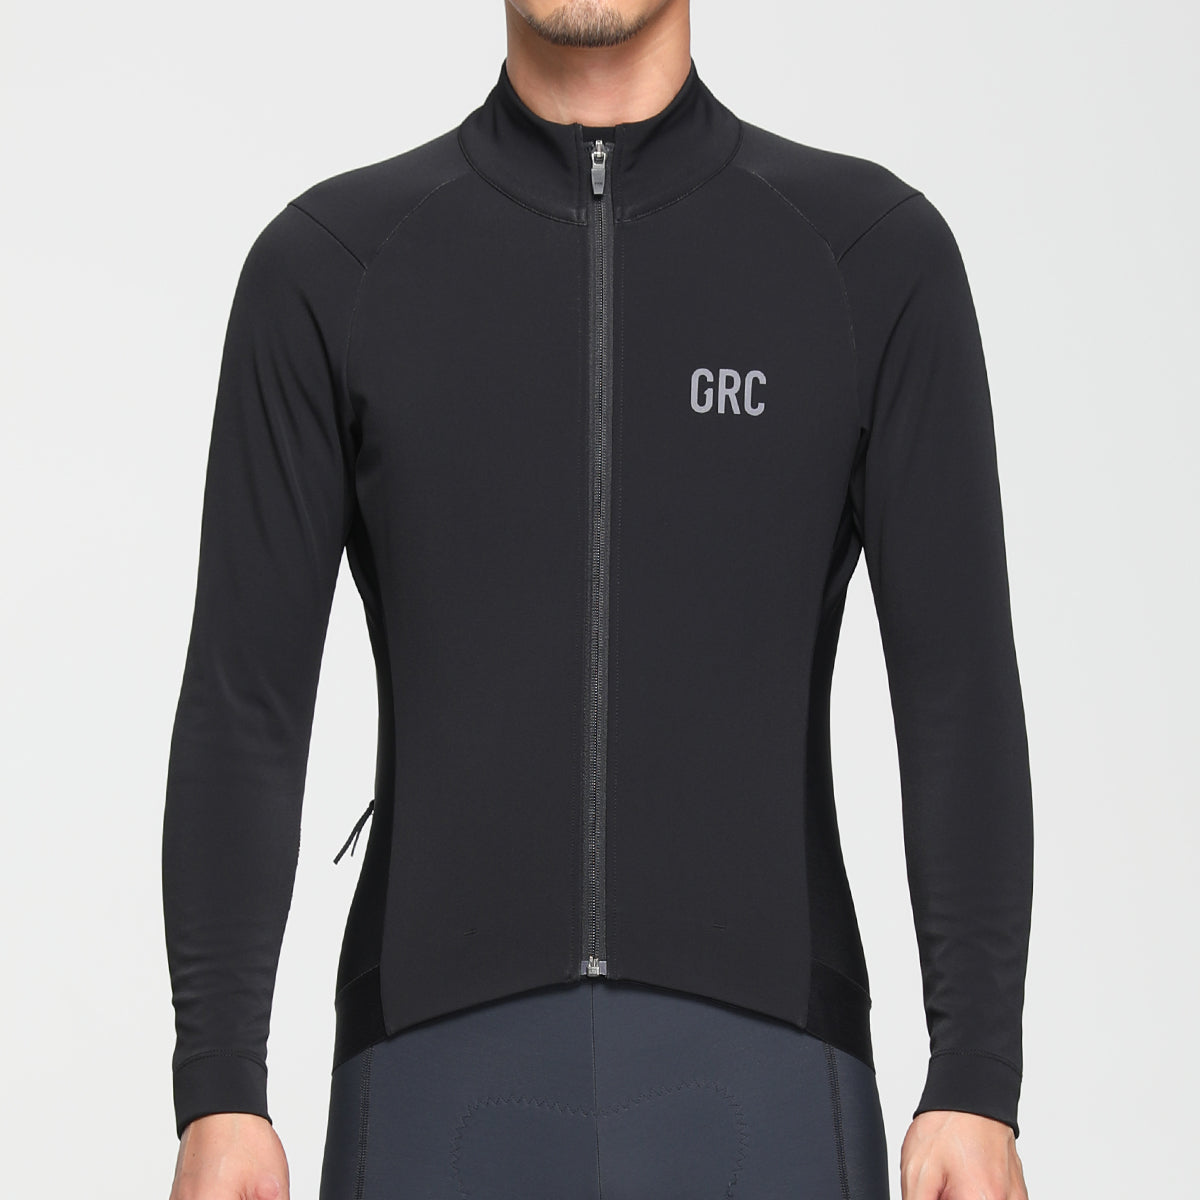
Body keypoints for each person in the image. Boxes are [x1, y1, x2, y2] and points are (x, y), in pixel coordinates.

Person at [162, 2, 1035, 1198]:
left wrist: (976, 1076)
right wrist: (220, 1086)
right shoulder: (333, 265)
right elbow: (245, 705)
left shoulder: (866, 255)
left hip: (768, 1085)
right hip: (431, 1092)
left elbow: (957, 693)